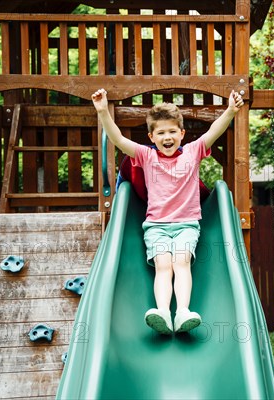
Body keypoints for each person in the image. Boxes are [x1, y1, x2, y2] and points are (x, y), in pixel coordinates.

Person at [91, 88, 244, 334]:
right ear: (152, 137)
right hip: (156, 227)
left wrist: (231, 110)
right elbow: (118, 139)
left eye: (172, 131)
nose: (167, 137)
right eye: (161, 132)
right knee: (164, 266)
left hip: (187, 225)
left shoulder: (193, 153)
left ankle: (182, 311)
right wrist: (102, 111)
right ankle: (163, 311)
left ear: (182, 134)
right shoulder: (147, 156)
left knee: (181, 263)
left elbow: (214, 131)